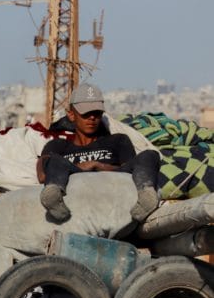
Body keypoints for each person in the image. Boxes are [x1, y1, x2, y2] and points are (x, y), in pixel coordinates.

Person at [37, 82, 163, 224]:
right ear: (71, 115)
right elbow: (42, 175)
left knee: (150, 155)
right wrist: (81, 168)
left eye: (96, 113)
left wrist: (99, 166)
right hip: (76, 179)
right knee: (54, 160)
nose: (92, 118)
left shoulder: (117, 140)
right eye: (86, 113)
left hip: (112, 184)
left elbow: (130, 172)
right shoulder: (59, 145)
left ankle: (146, 195)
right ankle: (54, 196)